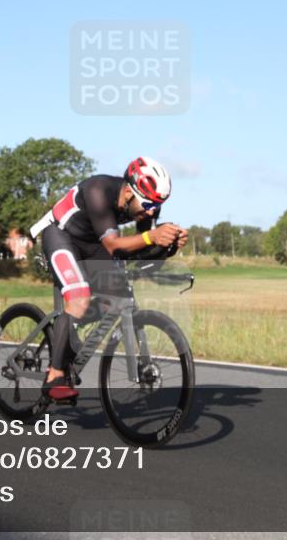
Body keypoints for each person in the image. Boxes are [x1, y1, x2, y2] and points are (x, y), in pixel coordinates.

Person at [29, 156, 189, 400]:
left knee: (115, 300)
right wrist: (152, 237)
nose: (151, 212)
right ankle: (54, 375)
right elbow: (116, 245)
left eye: (157, 207)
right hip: (61, 236)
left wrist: (170, 246)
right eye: (148, 205)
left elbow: (142, 252)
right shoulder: (98, 190)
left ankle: (68, 331)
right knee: (79, 297)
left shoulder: (145, 205)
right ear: (128, 192)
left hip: (94, 244)